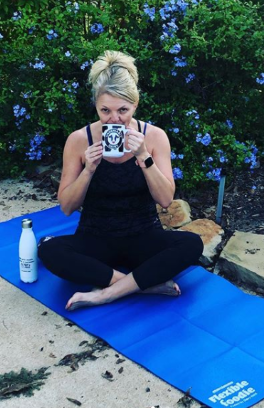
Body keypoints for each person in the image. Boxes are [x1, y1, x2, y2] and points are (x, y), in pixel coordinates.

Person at [38, 50, 203, 310]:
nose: (114, 119)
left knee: (192, 244)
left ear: (135, 105)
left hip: (143, 235)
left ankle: (107, 293)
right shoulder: (79, 140)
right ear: (96, 107)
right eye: (105, 110)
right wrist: (88, 170)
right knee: (49, 250)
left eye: (123, 110)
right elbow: (67, 207)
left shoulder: (155, 136)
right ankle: (141, 284)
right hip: (95, 237)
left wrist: (144, 156)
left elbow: (165, 200)